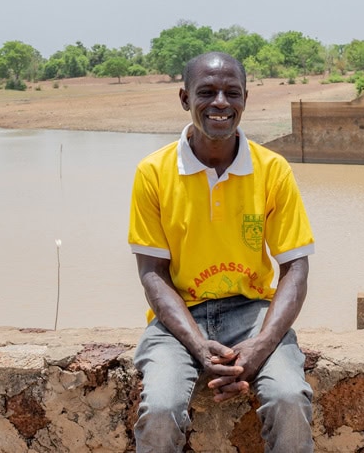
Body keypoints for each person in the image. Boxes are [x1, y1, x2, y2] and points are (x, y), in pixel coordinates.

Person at [128, 51, 315, 452]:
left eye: (232, 93)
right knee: (160, 409)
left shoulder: (273, 170)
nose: (220, 103)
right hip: (179, 318)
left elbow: (295, 267)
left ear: (245, 99)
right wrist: (197, 345)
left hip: (253, 313)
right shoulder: (154, 172)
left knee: (289, 398)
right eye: (206, 92)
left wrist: (261, 345)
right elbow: (153, 273)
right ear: (185, 98)